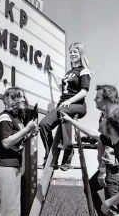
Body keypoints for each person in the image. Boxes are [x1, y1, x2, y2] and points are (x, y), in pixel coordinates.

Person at [39, 42, 91, 171]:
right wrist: (53, 73)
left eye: (75, 52)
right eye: (71, 52)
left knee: (63, 111)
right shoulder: (69, 73)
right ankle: (51, 156)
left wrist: (70, 101)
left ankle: (68, 151)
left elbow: (84, 91)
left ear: (81, 54)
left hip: (78, 105)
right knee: (43, 124)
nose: (72, 54)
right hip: (63, 105)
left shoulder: (84, 70)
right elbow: (62, 88)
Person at [0, 87, 38, 216]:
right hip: (3, 166)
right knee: (7, 210)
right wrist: (27, 129)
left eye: (23, 96)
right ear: (13, 100)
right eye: (20, 96)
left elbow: (17, 140)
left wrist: (30, 134)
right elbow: (6, 142)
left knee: (14, 210)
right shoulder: (5, 116)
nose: (23, 99)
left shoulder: (17, 119)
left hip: (13, 167)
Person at [86, 85, 119, 216]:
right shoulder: (105, 114)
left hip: (113, 166)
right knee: (90, 187)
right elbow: (101, 136)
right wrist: (87, 138)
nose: (94, 100)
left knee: (112, 205)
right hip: (110, 165)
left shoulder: (112, 114)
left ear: (106, 99)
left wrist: (103, 170)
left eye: (97, 97)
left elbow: (110, 144)